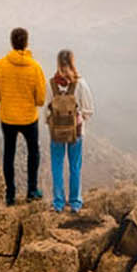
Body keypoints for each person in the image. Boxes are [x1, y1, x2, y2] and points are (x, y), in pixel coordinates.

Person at [0, 26, 49, 205]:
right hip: (29, 119)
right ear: (26, 43)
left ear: (11, 42)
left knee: (9, 154)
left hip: (7, 118)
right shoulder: (36, 68)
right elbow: (40, 99)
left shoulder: (0, 65)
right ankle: (31, 190)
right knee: (33, 152)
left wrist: (8, 98)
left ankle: (10, 195)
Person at [45, 49, 87, 209]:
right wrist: (78, 119)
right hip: (76, 133)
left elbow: (45, 111)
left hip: (56, 133)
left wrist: (54, 122)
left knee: (57, 166)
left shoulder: (51, 84)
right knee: (75, 166)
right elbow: (89, 109)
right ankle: (75, 202)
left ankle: (58, 203)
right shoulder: (80, 84)